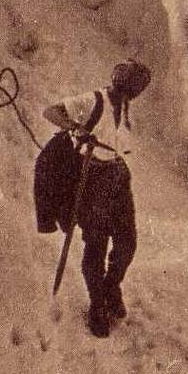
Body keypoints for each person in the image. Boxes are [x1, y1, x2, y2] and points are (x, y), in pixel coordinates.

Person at [34, 60, 152, 338]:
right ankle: (97, 304)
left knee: (127, 242)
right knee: (96, 245)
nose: (134, 92)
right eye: (133, 85)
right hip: (92, 177)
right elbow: (51, 112)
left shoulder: (124, 108)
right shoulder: (94, 100)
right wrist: (77, 129)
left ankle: (111, 285)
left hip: (118, 176)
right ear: (122, 82)